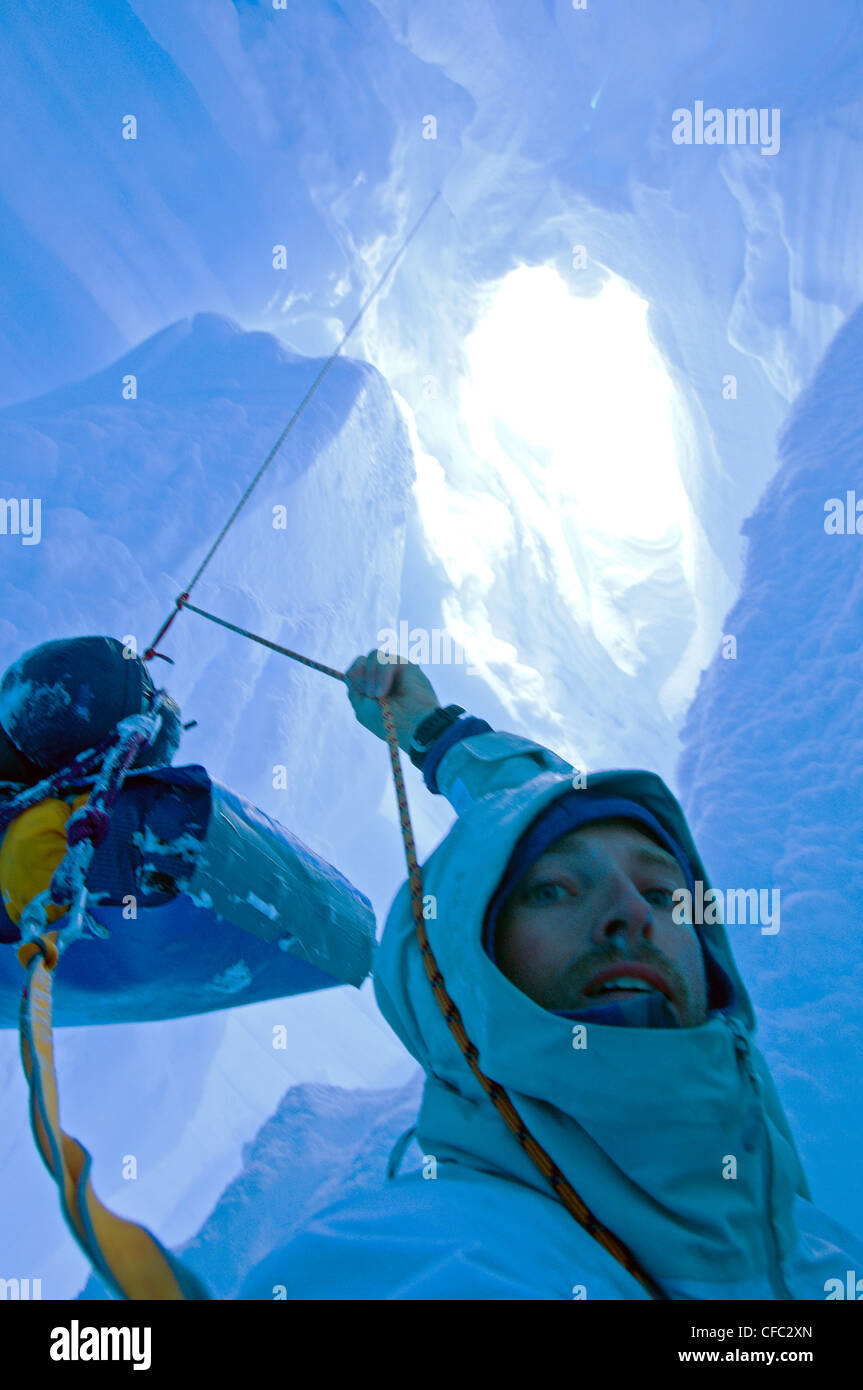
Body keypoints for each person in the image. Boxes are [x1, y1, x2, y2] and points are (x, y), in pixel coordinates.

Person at [232, 647, 863, 1301]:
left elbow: (534, 812)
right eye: (553, 891)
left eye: (660, 892)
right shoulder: (448, 1252)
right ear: (463, 973)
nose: (628, 911)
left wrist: (435, 731)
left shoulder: (800, 1236)